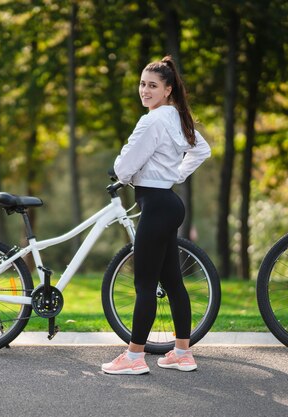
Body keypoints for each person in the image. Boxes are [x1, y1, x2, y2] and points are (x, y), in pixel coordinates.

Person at [102, 56, 211, 375]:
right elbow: (201, 151)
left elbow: (123, 167)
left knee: (145, 284)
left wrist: (122, 169)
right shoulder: (177, 117)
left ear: (167, 89)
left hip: (156, 204)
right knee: (173, 282)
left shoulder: (151, 121)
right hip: (169, 203)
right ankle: (182, 353)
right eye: (142, 84)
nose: (145, 90)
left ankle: (134, 358)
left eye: (152, 85)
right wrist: (176, 175)